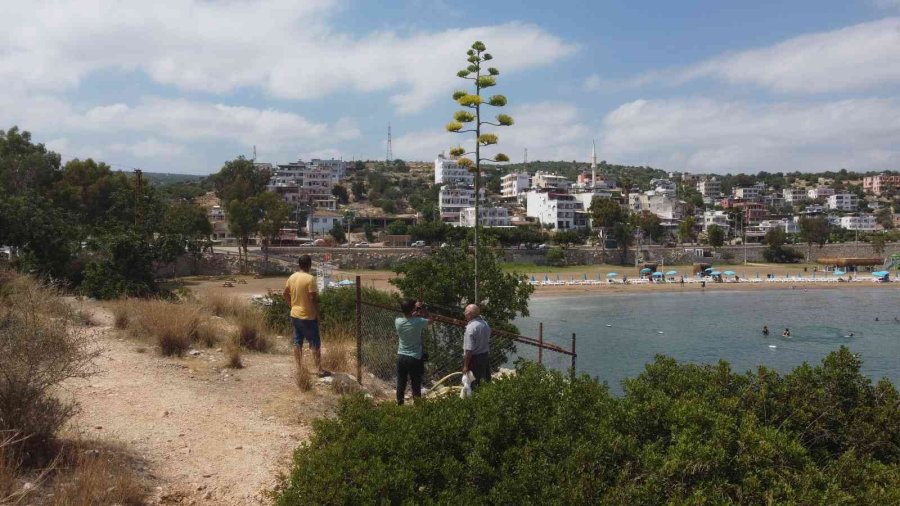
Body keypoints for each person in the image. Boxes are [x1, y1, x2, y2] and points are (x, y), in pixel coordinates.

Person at [283, 255, 329, 378]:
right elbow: (313, 298)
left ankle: (299, 367)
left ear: (299, 265)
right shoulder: (310, 279)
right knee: (315, 343)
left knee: (297, 342)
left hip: (295, 314)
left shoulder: (292, 277)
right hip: (308, 316)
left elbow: (285, 293)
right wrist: (317, 314)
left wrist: (292, 305)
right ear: (309, 265)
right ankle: (319, 369)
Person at [395, 299, 432, 405]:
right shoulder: (418, 321)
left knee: (401, 382)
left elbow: (408, 318)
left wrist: (414, 311)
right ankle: (418, 406)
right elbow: (430, 320)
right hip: (415, 357)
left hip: (401, 356)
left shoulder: (398, 321)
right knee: (415, 383)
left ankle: (400, 404)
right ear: (412, 309)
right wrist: (423, 309)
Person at [462, 304, 491, 389]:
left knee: (472, 384)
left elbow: (469, 349)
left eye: (465, 312)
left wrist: (465, 366)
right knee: (484, 382)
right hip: (485, 357)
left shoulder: (471, 327)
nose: (464, 314)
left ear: (470, 314)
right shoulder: (485, 324)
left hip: (474, 360)